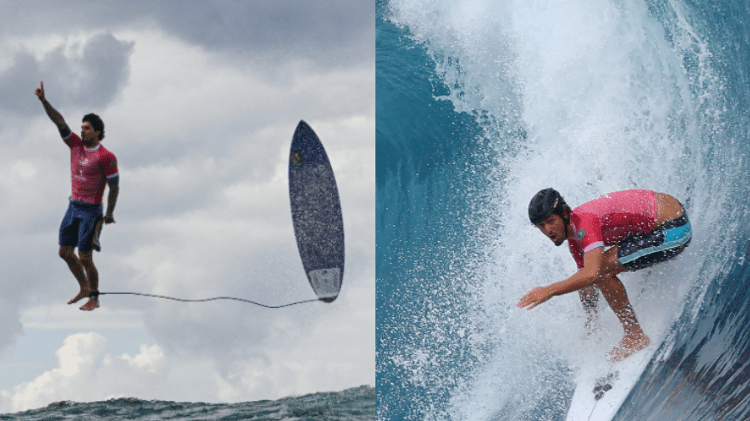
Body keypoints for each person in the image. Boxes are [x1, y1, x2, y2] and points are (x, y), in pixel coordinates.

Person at [517, 189, 692, 361]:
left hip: (675, 229)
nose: (548, 230)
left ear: (564, 213)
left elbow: (593, 274)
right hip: (663, 223)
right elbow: (585, 280)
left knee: (602, 270)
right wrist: (591, 323)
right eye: (541, 226)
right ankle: (624, 329)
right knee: (595, 269)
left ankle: (635, 335)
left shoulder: (585, 221)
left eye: (550, 221)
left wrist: (549, 291)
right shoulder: (575, 240)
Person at [35, 81, 120, 311]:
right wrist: (44, 101)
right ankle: (83, 287)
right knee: (64, 252)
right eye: (82, 127)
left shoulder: (106, 156)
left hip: (92, 211)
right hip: (73, 207)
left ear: (98, 132)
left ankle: (94, 297)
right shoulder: (75, 145)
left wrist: (109, 214)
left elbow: (114, 187)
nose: (82, 131)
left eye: (87, 128)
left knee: (85, 257)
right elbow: (59, 121)